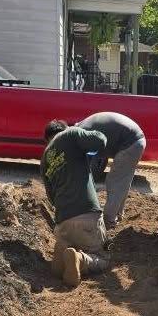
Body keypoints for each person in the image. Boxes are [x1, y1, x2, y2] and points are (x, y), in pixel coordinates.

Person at [41, 119, 109, 287]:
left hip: (62, 222)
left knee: (72, 243)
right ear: (64, 129)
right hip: (87, 214)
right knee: (102, 258)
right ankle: (80, 259)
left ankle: (63, 255)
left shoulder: (45, 158)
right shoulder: (70, 133)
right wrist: (81, 130)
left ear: (47, 139)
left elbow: (51, 197)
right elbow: (99, 141)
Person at [76, 112, 146, 228]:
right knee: (122, 181)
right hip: (135, 140)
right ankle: (117, 214)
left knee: (115, 181)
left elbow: (85, 167)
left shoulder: (83, 135)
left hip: (131, 143)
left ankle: (108, 221)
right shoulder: (82, 128)